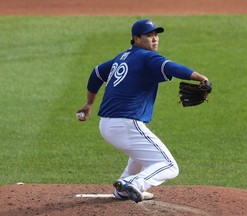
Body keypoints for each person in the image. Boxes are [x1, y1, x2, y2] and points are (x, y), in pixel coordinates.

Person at [76, 19, 210, 203]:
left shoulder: (122, 57)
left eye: (156, 35)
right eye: (149, 35)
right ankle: (135, 183)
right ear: (136, 38)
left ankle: (123, 188)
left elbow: (97, 72)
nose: (154, 39)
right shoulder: (148, 57)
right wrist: (200, 77)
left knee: (141, 156)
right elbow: (170, 67)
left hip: (106, 125)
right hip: (125, 124)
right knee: (169, 166)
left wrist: (89, 104)